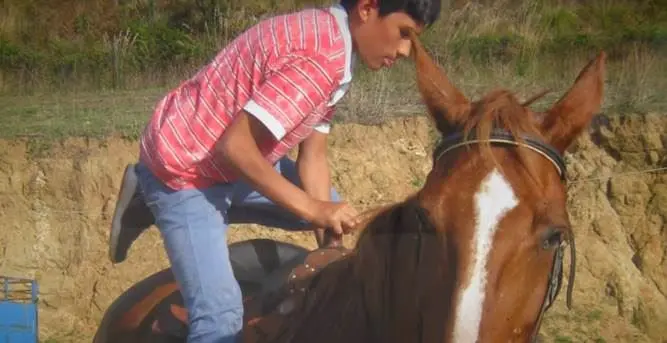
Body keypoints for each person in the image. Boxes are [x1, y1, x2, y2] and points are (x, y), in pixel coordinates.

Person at [108, 0, 442, 341]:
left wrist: (330, 249)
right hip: (185, 170)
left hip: (225, 164)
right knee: (219, 316)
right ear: (368, 8)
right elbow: (236, 146)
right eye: (404, 34)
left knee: (329, 208)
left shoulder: (335, 49)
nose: (404, 51)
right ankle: (150, 191)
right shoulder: (319, 59)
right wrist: (314, 208)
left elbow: (313, 157)